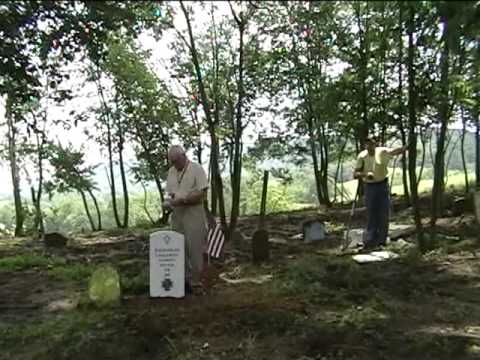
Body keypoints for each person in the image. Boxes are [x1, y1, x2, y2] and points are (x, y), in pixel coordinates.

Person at [164, 145, 208, 294]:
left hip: (193, 213)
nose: (174, 164)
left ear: (183, 156)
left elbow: (201, 193)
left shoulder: (196, 169)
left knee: (194, 248)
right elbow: (169, 193)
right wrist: (168, 203)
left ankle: (197, 282)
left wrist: (183, 201)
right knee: (179, 248)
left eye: (176, 161)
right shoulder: (171, 172)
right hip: (177, 215)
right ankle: (184, 281)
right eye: (172, 162)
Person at [353, 136, 407, 249]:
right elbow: (355, 174)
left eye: (371, 144)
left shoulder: (382, 152)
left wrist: (405, 148)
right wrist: (365, 174)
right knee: (371, 212)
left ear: (375, 144)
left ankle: (382, 240)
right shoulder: (362, 156)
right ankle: (371, 239)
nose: (370, 147)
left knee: (384, 211)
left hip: (382, 184)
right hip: (369, 186)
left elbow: (394, 151)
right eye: (367, 145)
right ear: (365, 146)